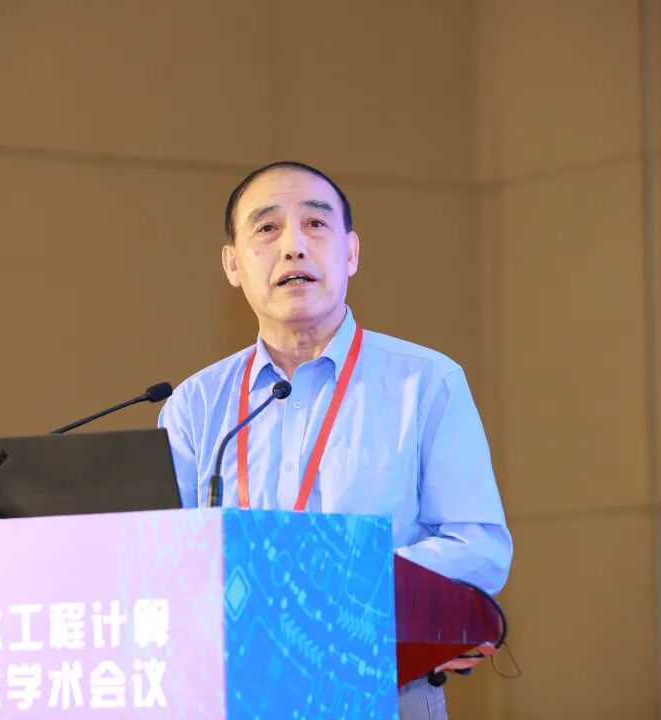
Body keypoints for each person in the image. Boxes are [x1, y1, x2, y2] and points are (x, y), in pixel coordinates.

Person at [158, 160, 512, 719]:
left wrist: (336, 586)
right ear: (232, 264)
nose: (293, 246)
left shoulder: (426, 383)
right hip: (237, 694)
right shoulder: (195, 405)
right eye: (267, 228)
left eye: (316, 224)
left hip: (384, 689)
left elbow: (480, 550)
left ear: (351, 252)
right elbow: (163, 563)